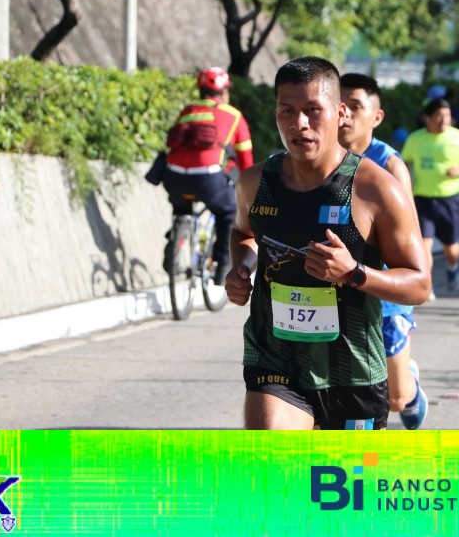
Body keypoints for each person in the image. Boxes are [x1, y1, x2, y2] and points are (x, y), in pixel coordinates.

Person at [224, 57, 431, 430]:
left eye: (312, 110)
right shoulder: (255, 183)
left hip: (353, 370)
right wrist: (242, 266)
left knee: (349, 471)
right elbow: (244, 233)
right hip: (276, 359)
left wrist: (354, 273)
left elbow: (419, 284)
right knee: (271, 459)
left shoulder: (376, 189)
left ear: (339, 113)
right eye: (287, 111)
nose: (299, 123)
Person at [338, 72, 428, 430]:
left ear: (376, 117)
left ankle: (410, 386)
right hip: (337, 287)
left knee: (395, 399)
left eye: (355, 106)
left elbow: (410, 239)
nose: (344, 113)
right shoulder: (317, 156)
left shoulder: (389, 166)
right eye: (338, 105)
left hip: (385, 293)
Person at [163, 67, 254, 284]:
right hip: (208, 179)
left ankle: (176, 239)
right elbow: (246, 160)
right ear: (224, 93)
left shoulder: (187, 111)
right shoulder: (233, 115)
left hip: (172, 176)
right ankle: (222, 265)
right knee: (227, 211)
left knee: (182, 206)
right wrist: (248, 188)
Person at [402, 97, 459, 299]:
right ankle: (428, 287)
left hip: (450, 200)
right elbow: (403, 163)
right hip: (422, 199)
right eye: (438, 116)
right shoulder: (415, 139)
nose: (443, 120)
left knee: (451, 249)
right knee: (423, 245)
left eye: (447, 116)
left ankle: (453, 267)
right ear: (426, 118)